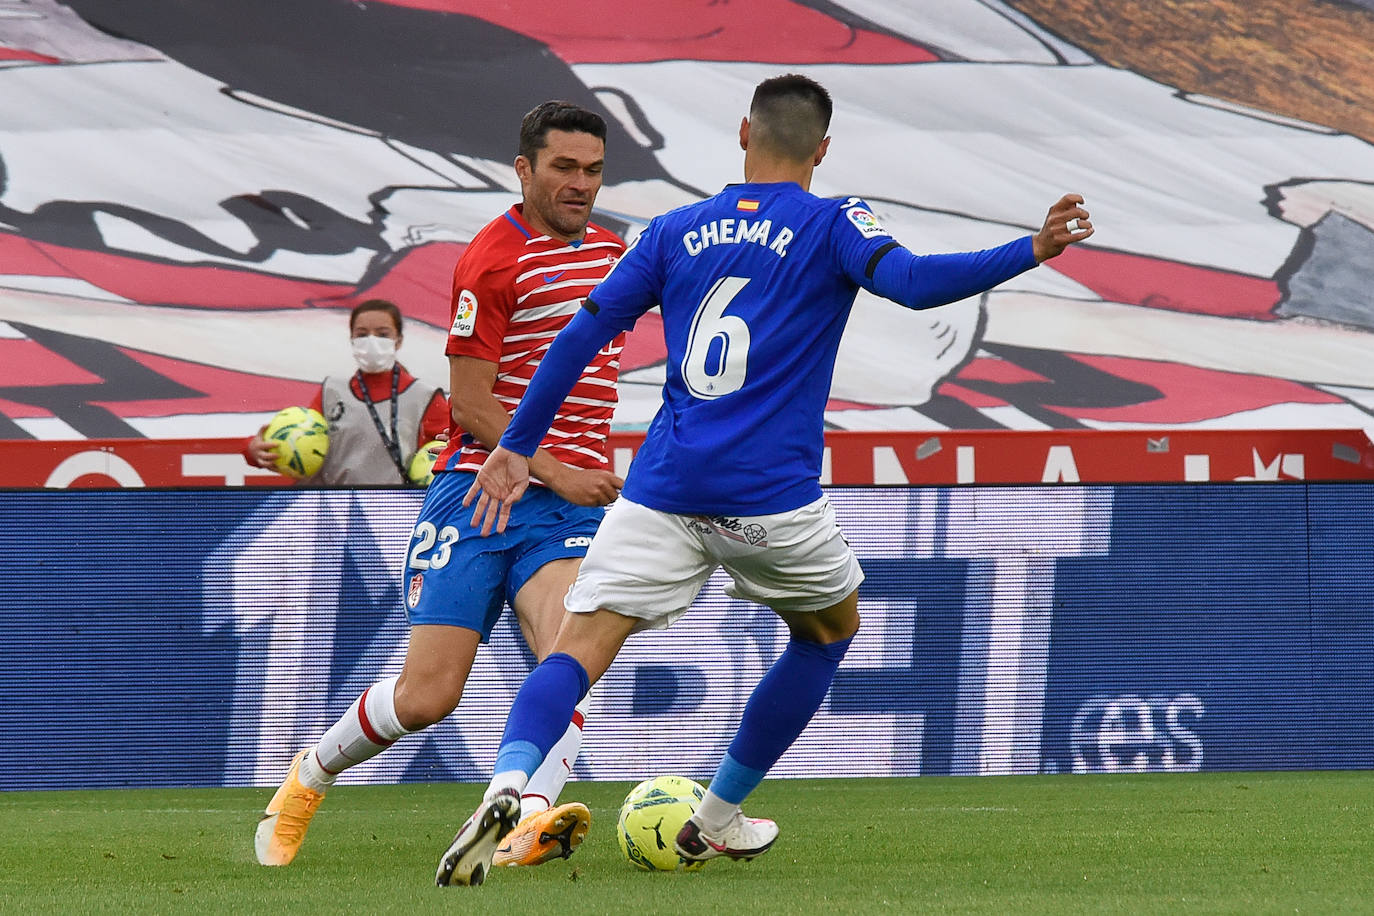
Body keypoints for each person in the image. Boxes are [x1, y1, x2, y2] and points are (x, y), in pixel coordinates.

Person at [442, 72, 1096, 885]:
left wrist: (519, 442)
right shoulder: (834, 221)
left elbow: (583, 333)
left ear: (742, 135)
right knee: (828, 633)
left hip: (663, 489)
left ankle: (509, 787)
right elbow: (916, 285)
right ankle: (714, 819)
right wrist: (1031, 248)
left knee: (577, 650)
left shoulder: (673, 227)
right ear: (823, 150)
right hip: (769, 499)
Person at [254, 101, 627, 872]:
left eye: (592, 170)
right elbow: (470, 403)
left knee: (570, 655)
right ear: (523, 170)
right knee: (428, 698)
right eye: (563, 168)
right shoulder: (492, 259)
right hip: (478, 491)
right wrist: (553, 464)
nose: (579, 184)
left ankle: (522, 815)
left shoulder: (618, 255)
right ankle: (309, 774)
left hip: (561, 508)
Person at [245, 298, 449, 485]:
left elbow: (450, 452)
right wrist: (254, 451)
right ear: (351, 339)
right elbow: (299, 441)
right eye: (361, 334)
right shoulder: (331, 391)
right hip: (334, 513)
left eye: (383, 334)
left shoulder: (425, 396)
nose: (371, 341)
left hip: (395, 513)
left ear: (399, 340)